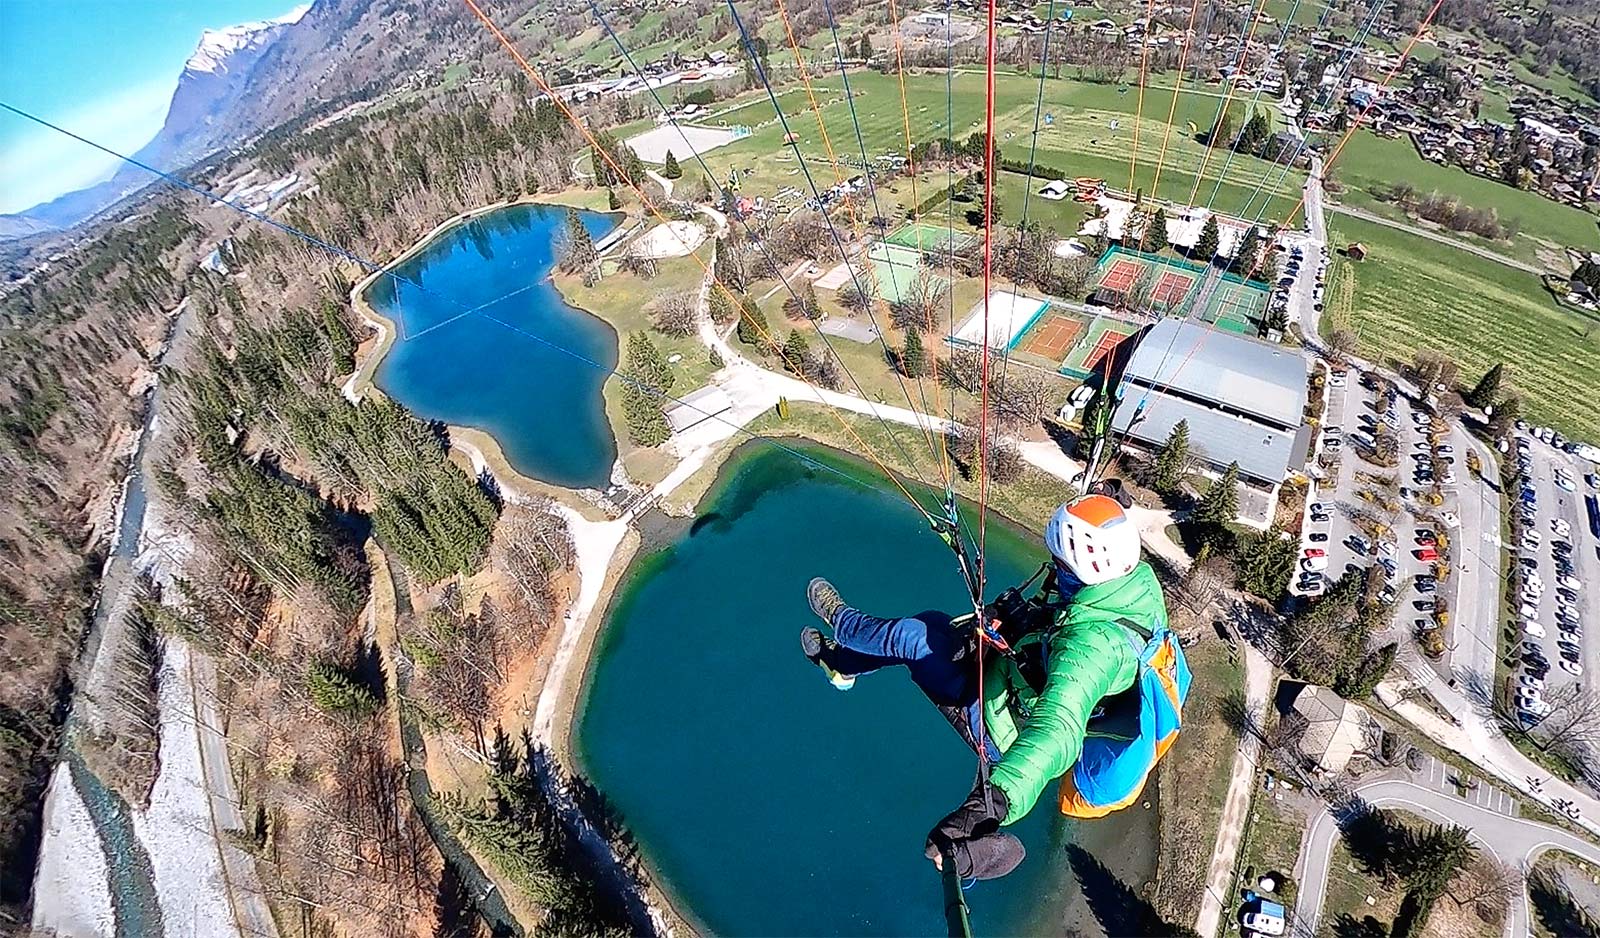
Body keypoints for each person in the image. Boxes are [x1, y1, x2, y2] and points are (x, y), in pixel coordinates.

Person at [801, 494, 1187, 880]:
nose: (1055, 572)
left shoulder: (1093, 649)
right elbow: (1077, 623)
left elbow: (1058, 729)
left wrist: (993, 801)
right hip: (1009, 676)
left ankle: (842, 622)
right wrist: (1032, 624)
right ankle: (840, 665)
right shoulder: (1134, 588)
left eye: (1062, 567)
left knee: (915, 639)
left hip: (997, 722)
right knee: (934, 625)